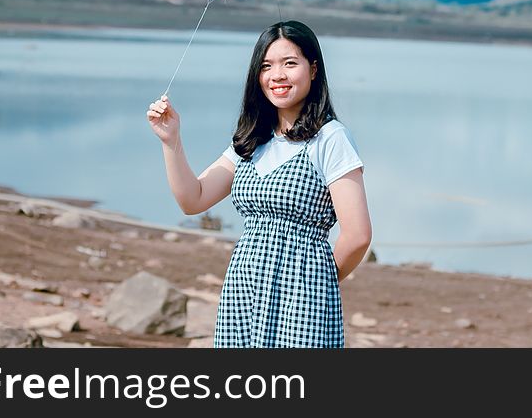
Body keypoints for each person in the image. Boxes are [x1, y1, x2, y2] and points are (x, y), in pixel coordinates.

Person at [146, 20, 371, 348]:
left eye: (289, 63)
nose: (277, 75)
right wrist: (170, 140)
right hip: (244, 288)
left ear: (313, 69)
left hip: (304, 292)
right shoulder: (252, 140)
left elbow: (358, 235)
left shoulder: (330, 137)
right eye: (266, 66)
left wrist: (316, 282)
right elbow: (192, 199)